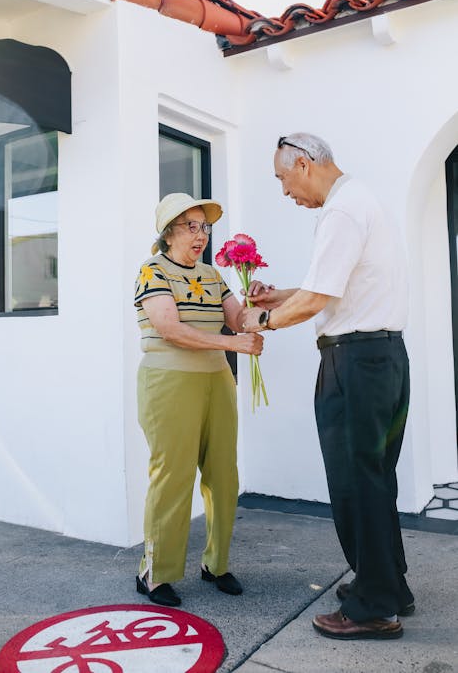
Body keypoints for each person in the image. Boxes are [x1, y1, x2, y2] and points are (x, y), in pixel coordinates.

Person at [241, 133, 413, 640]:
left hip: (356, 364)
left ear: (304, 163)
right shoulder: (358, 200)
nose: (284, 191)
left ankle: (373, 609)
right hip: (381, 359)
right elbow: (328, 287)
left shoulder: (340, 212)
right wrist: (279, 295)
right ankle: (388, 585)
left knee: (355, 482)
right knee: (374, 479)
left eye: (282, 178)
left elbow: (317, 300)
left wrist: (261, 320)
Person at [134, 192, 263, 607]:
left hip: (217, 380)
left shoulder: (211, 274)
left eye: (205, 227)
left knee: (224, 474)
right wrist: (233, 343)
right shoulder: (152, 270)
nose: (201, 235)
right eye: (191, 226)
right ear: (168, 232)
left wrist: (258, 301)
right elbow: (170, 328)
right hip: (168, 382)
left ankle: (217, 564)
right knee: (172, 476)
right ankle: (155, 574)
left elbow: (239, 320)